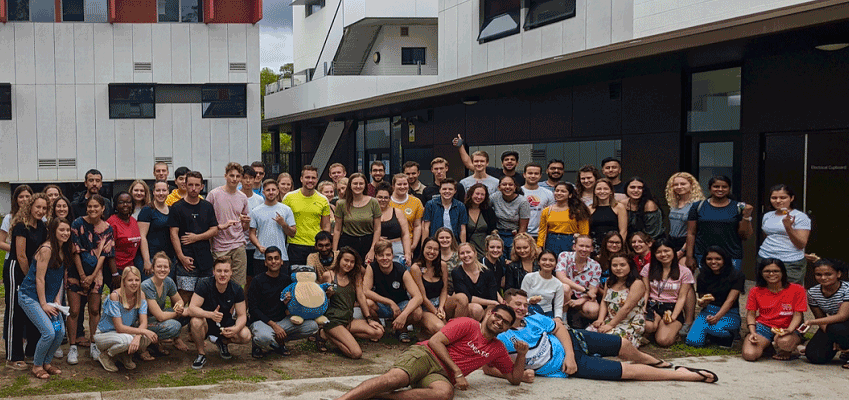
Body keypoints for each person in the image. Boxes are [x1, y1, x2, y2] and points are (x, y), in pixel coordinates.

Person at [486, 289, 718, 383]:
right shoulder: (502, 338)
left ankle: (652, 359)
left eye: (525, 304)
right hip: (568, 366)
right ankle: (682, 375)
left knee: (623, 344)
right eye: (517, 304)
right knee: (626, 372)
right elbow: (488, 368)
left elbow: (560, 329)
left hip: (574, 343)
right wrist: (514, 375)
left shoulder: (534, 317)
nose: (522, 308)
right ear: (504, 304)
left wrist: (569, 355)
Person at [336, 305, 526, 400]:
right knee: (394, 379)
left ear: (508, 327)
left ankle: (379, 397)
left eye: (505, 321)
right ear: (490, 313)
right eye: (498, 316)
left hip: (441, 375)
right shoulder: (467, 324)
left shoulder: (498, 348)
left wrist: (522, 355)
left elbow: (514, 379)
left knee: (444, 394)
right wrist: (458, 372)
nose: (499, 322)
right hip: (426, 355)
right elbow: (435, 342)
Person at [16, 217, 72, 379]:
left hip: (49, 298)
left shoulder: (64, 249)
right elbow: (40, 279)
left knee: (60, 332)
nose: (65, 233)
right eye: (61, 230)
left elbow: (58, 278)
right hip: (30, 296)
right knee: (48, 332)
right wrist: (43, 304)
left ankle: (47, 363)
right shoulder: (47, 249)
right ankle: (37, 366)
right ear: (53, 231)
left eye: (67, 230)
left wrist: (56, 300)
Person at [67, 194, 114, 365]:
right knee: (74, 310)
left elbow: (104, 255)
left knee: (95, 310)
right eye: (90, 206)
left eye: (96, 207)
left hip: (96, 274)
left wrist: (92, 276)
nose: (93, 209)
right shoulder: (77, 223)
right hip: (75, 272)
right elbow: (75, 250)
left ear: (103, 209)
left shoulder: (108, 228)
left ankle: (94, 343)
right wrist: (82, 276)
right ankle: (72, 346)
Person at [248, 246, 319, 358]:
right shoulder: (257, 281)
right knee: (263, 337)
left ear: (281, 261)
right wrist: (273, 326)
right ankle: (258, 344)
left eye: (276, 258)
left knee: (312, 326)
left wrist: (289, 304)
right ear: (265, 262)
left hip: (282, 322)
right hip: (262, 322)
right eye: (270, 259)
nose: (273, 261)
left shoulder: (287, 280)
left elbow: (294, 307)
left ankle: (278, 341)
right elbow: (253, 309)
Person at [186, 257, 252, 369]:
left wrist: (236, 329)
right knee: (195, 322)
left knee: (245, 335)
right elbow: (192, 308)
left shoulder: (236, 289)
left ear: (231, 272)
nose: (222, 274)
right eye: (219, 271)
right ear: (213, 272)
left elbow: (242, 315)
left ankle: (223, 342)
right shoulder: (204, 284)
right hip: (206, 322)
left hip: (225, 323)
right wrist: (211, 314)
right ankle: (201, 354)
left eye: (226, 271)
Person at [318, 247, 384, 358]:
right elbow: (318, 298)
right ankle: (325, 333)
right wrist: (327, 294)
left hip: (348, 320)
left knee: (378, 332)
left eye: (352, 262)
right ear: (339, 260)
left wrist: (369, 319)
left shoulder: (355, 275)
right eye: (346, 260)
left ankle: (333, 335)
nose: (349, 264)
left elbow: (361, 296)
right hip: (333, 320)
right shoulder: (328, 275)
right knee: (356, 353)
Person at [169, 171, 222, 305]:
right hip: (186, 260)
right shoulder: (177, 207)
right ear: (185, 185)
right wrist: (181, 257)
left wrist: (196, 238)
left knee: (206, 296)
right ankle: (180, 324)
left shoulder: (207, 206)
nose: (193, 188)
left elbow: (214, 230)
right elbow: (173, 234)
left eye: (196, 185)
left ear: (202, 186)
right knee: (184, 296)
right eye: (190, 184)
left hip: (205, 260)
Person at [93, 267, 158, 372]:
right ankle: (106, 355)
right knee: (127, 340)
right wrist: (141, 332)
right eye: (130, 280)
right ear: (123, 282)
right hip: (106, 333)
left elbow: (143, 322)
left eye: (137, 280)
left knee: (147, 337)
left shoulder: (140, 295)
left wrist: (138, 336)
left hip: (125, 332)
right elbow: (119, 327)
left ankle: (125, 355)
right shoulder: (115, 296)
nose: (134, 283)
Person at [742, 258, 806, 361]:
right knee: (750, 355)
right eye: (767, 271)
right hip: (764, 327)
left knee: (784, 341)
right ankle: (770, 346)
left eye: (776, 271)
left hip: (788, 327)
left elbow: (798, 315)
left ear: (783, 272)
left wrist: (789, 330)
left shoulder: (797, 289)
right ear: (761, 273)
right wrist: (752, 332)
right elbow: (751, 314)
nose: (771, 274)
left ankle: (789, 349)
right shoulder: (755, 290)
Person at [686, 175, 754, 272]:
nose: (720, 189)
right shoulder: (698, 206)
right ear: (710, 188)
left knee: (731, 284)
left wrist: (746, 216)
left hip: (732, 255)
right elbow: (691, 233)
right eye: (716, 187)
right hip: (704, 254)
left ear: (729, 189)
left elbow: (745, 235)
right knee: (707, 284)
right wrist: (689, 256)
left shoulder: (738, 207)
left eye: (724, 187)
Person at [364, 240, 424, 343]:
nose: (385, 258)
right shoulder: (372, 267)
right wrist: (389, 302)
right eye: (381, 255)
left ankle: (402, 328)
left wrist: (404, 315)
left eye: (388, 255)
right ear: (376, 256)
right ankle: (379, 327)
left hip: (401, 304)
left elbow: (418, 297)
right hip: (382, 304)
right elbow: (365, 291)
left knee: (418, 312)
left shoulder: (401, 269)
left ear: (392, 255)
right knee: (367, 303)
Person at [685, 247, 745, 348]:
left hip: (729, 312)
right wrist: (703, 303)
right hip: (708, 311)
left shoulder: (737, 275)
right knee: (693, 341)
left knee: (715, 328)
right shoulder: (702, 276)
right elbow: (702, 300)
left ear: (724, 260)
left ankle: (731, 335)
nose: (713, 262)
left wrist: (717, 317)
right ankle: (712, 337)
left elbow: (730, 301)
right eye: (709, 259)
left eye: (718, 259)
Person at [642, 239, 694, 348]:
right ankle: (654, 328)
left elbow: (682, 297)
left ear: (673, 251)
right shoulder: (648, 268)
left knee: (663, 341)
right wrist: (643, 308)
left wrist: (673, 317)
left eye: (666, 251)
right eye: (659, 252)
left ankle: (669, 330)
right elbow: (646, 291)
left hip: (672, 307)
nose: (663, 254)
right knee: (648, 326)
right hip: (652, 305)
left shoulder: (684, 272)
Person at [206, 163, 251, 288]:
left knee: (239, 284)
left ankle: (236, 308)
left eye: (237, 176)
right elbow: (206, 220)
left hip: (238, 244)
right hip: (220, 245)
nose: (234, 179)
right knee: (220, 282)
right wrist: (221, 226)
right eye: (231, 175)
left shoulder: (243, 197)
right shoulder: (214, 194)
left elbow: (245, 227)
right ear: (225, 176)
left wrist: (246, 222)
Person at [589, 254, 646, 348]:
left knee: (608, 340)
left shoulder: (637, 283)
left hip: (629, 323)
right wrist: (600, 319)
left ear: (630, 266)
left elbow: (627, 308)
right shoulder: (609, 281)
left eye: (623, 265)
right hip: (610, 320)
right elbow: (604, 301)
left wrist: (610, 325)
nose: (618, 268)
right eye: (614, 265)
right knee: (589, 334)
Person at [758, 184, 811, 285]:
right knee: (765, 291)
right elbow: (767, 236)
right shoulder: (768, 215)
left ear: (791, 198)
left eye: (783, 197)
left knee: (790, 293)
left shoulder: (800, 217)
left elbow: (801, 244)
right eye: (774, 198)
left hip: (790, 261)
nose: (778, 201)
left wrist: (788, 227)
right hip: (765, 258)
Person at [801, 258, 849, 366]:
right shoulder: (813, 293)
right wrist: (834, 337)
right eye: (818, 274)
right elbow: (820, 318)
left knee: (835, 327)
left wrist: (811, 322)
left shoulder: (847, 289)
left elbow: (843, 316)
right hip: (835, 327)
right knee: (814, 356)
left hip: (844, 323)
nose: (823, 278)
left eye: (828, 274)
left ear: (838, 274)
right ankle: (844, 349)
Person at [140, 252, 188, 356]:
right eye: (159, 266)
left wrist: (179, 307)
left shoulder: (168, 282)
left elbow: (180, 300)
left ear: (169, 269)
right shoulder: (147, 286)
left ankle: (172, 339)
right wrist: (177, 313)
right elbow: (160, 317)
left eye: (165, 267)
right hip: (143, 322)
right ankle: (151, 343)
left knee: (187, 312)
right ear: (153, 269)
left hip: (157, 317)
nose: (162, 269)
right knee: (174, 326)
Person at [284, 165, 331, 266]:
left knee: (315, 279)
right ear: (301, 179)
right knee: (296, 278)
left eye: (313, 178)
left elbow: (326, 225)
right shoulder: (289, 197)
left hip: (315, 246)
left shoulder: (323, 199)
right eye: (307, 177)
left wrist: (324, 245)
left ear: (317, 180)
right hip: (295, 245)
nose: (310, 180)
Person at [249, 180, 296, 278]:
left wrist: (283, 224)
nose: (271, 192)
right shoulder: (256, 211)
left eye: (273, 190)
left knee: (282, 288)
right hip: (261, 256)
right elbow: (252, 233)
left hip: (281, 256)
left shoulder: (286, 209)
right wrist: (258, 246)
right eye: (268, 190)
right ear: (263, 192)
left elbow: (292, 233)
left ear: (278, 191)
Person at [333, 173, 381, 263]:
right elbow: (337, 229)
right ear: (350, 185)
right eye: (355, 183)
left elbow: (377, 229)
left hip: (368, 242)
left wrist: (372, 250)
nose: (358, 186)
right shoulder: (341, 204)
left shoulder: (373, 202)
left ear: (365, 185)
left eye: (361, 183)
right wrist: (335, 252)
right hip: (347, 243)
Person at [410, 238, 451, 335]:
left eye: (435, 249)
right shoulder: (416, 268)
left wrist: (441, 307)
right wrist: (436, 312)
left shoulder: (443, 266)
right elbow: (422, 296)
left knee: (460, 299)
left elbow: (444, 289)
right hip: (424, 306)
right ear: (423, 249)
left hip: (440, 302)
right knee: (440, 327)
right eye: (429, 248)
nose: (432, 252)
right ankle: (423, 329)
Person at [555, 235, 601, 322]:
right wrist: (584, 290)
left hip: (582, 297)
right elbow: (561, 277)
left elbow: (593, 291)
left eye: (587, 246)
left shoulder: (595, 265)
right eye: (581, 245)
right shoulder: (564, 256)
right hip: (564, 293)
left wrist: (582, 300)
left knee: (593, 310)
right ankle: (563, 319)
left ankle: (576, 317)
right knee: (565, 288)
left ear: (592, 249)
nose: (584, 249)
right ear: (574, 246)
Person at [452, 242, 502, 321]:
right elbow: (468, 297)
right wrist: (492, 302)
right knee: (477, 309)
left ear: (475, 253)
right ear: (459, 256)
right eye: (462, 253)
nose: (465, 255)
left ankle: (482, 329)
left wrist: (493, 304)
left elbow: (493, 296)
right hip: (468, 306)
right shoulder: (456, 272)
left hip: (488, 305)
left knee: (492, 309)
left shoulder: (487, 272)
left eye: (468, 252)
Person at [537, 182, 590, 255]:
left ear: (570, 195)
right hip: (551, 241)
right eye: (557, 191)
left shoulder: (578, 210)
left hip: (570, 242)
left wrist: (582, 246)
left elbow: (584, 232)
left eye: (563, 191)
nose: (559, 193)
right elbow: (542, 231)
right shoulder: (547, 211)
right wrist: (539, 246)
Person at [454, 135, 525, 187]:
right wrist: (460, 146)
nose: (509, 161)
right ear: (502, 163)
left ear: (517, 163)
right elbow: (469, 164)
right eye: (506, 160)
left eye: (512, 160)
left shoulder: (521, 179)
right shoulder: (492, 172)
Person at [138, 181, 174, 279]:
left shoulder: (172, 210)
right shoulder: (147, 210)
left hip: (167, 258)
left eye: (164, 190)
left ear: (168, 192)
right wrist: (146, 260)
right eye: (158, 190)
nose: (161, 193)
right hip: (151, 258)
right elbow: (142, 236)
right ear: (153, 192)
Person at [665, 172, 705, 256]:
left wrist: (682, 250)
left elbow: (696, 231)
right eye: (676, 185)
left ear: (691, 185)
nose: (679, 187)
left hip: (687, 243)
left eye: (683, 184)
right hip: (672, 241)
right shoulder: (674, 203)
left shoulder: (697, 205)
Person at [107, 192, 145, 279]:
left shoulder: (133, 221)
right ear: (116, 206)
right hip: (117, 269)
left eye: (128, 202)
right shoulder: (112, 222)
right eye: (121, 202)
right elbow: (109, 251)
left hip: (131, 267)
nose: (125, 205)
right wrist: (114, 274)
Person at [491, 175, 529, 257]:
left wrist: (517, 242)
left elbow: (523, 226)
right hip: (498, 234)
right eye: (504, 184)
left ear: (515, 187)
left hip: (515, 235)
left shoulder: (522, 201)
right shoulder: (495, 197)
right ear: (499, 187)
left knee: (513, 260)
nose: (507, 187)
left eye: (510, 185)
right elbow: (484, 207)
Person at [521, 250, 564, 322]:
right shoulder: (529, 277)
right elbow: (522, 298)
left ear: (556, 263)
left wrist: (558, 318)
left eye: (551, 260)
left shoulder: (558, 284)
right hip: (529, 310)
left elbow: (558, 306)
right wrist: (530, 301)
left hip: (547, 313)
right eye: (544, 260)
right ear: (538, 262)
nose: (547, 263)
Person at [375, 184, 412, 267]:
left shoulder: (398, 212)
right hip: (377, 250)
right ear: (375, 197)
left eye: (386, 197)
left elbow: (405, 234)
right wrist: (377, 238)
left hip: (397, 249)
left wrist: (407, 254)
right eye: (380, 197)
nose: (383, 200)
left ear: (390, 198)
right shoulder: (370, 213)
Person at [240, 166, 265, 290]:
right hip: (238, 244)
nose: (248, 181)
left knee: (251, 279)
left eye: (251, 178)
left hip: (253, 245)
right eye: (245, 178)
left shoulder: (260, 200)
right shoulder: (236, 196)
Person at [389, 173, 424, 257]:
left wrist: (413, 245)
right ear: (393, 186)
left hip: (409, 244)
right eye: (399, 184)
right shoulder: (386, 201)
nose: (402, 187)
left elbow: (417, 225)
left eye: (405, 184)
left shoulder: (416, 202)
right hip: (389, 244)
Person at [588, 179, 627, 251]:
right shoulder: (590, 209)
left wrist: (618, 246)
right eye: (599, 189)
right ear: (594, 192)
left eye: (606, 189)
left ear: (611, 191)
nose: (602, 191)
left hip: (614, 246)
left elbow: (623, 231)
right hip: (594, 248)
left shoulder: (619, 207)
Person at [521, 163, 554, 241]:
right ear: (524, 175)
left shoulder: (548, 193)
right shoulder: (517, 192)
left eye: (536, 174)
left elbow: (550, 215)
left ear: (540, 176)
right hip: (522, 234)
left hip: (541, 235)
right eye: (530, 173)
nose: (533, 176)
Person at [463, 183, 497, 258]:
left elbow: (493, 230)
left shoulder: (488, 211)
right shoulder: (463, 209)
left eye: (482, 195)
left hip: (484, 250)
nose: (479, 197)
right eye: (477, 194)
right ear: (471, 194)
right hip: (468, 251)